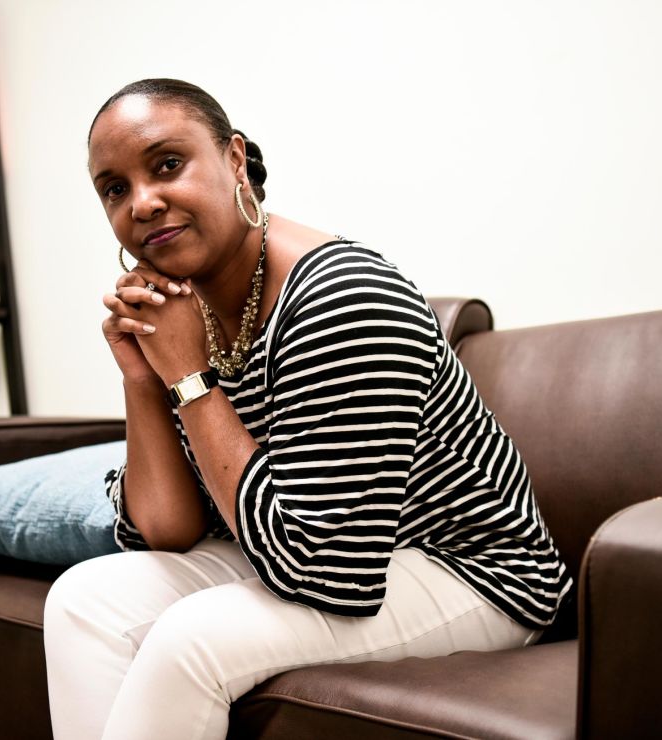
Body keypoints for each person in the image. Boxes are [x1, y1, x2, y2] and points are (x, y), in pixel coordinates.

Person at [44, 78, 572, 740]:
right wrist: (144, 379)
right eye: (114, 189)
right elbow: (169, 528)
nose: (142, 202)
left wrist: (187, 375)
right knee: (84, 602)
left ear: (234, 159)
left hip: (468, 568)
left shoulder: (343, 294)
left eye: (167, 164)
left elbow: (322, 567)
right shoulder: (188, 307)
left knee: (192, 639)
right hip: (325, 544)